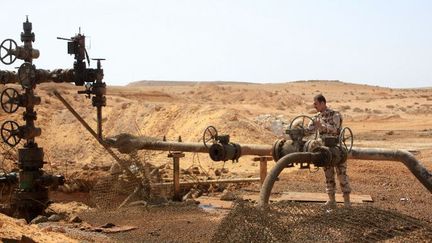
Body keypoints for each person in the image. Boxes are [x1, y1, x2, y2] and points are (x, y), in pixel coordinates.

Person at [309, 94, 352, 208]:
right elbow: (309, 130)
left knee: (342, 175)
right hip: (325, 151)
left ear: (323, 103)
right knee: (328, 175)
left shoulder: (335, 114)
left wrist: (322, 126)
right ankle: (332, 200)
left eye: (316, 103)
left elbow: (336, 130)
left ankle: (347, 202)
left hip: (337, 149)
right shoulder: (316, 117)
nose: (314, 106)